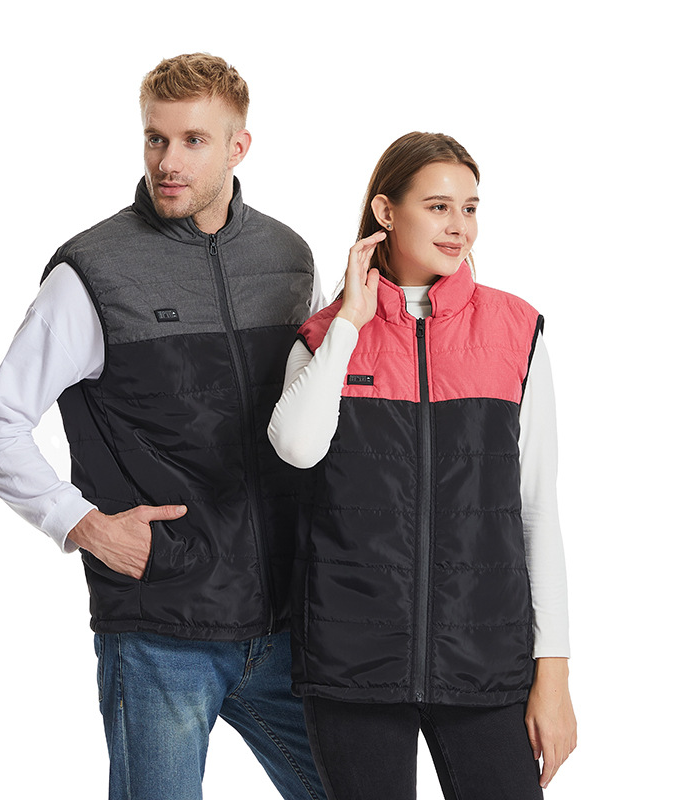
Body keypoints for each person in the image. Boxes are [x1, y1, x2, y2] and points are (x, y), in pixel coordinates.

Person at [0, 53, 327, 800]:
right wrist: (85, 526)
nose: (168, 162)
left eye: (193, 140)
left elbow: (316, 412)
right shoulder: (93, 273)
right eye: (155, 138)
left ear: (238, 147)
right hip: (162, 626)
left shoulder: (288, 259)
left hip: (288, 623)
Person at [268, 132, 576, 800]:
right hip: (352, 660)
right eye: (438, 207)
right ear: (386, 211)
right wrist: (350, 321)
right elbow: (296, 447)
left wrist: (553, 674)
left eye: (470, 208)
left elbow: (536, 510)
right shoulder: (324, 338)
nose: (459, 226)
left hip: (485, 657)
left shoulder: (515, 332)